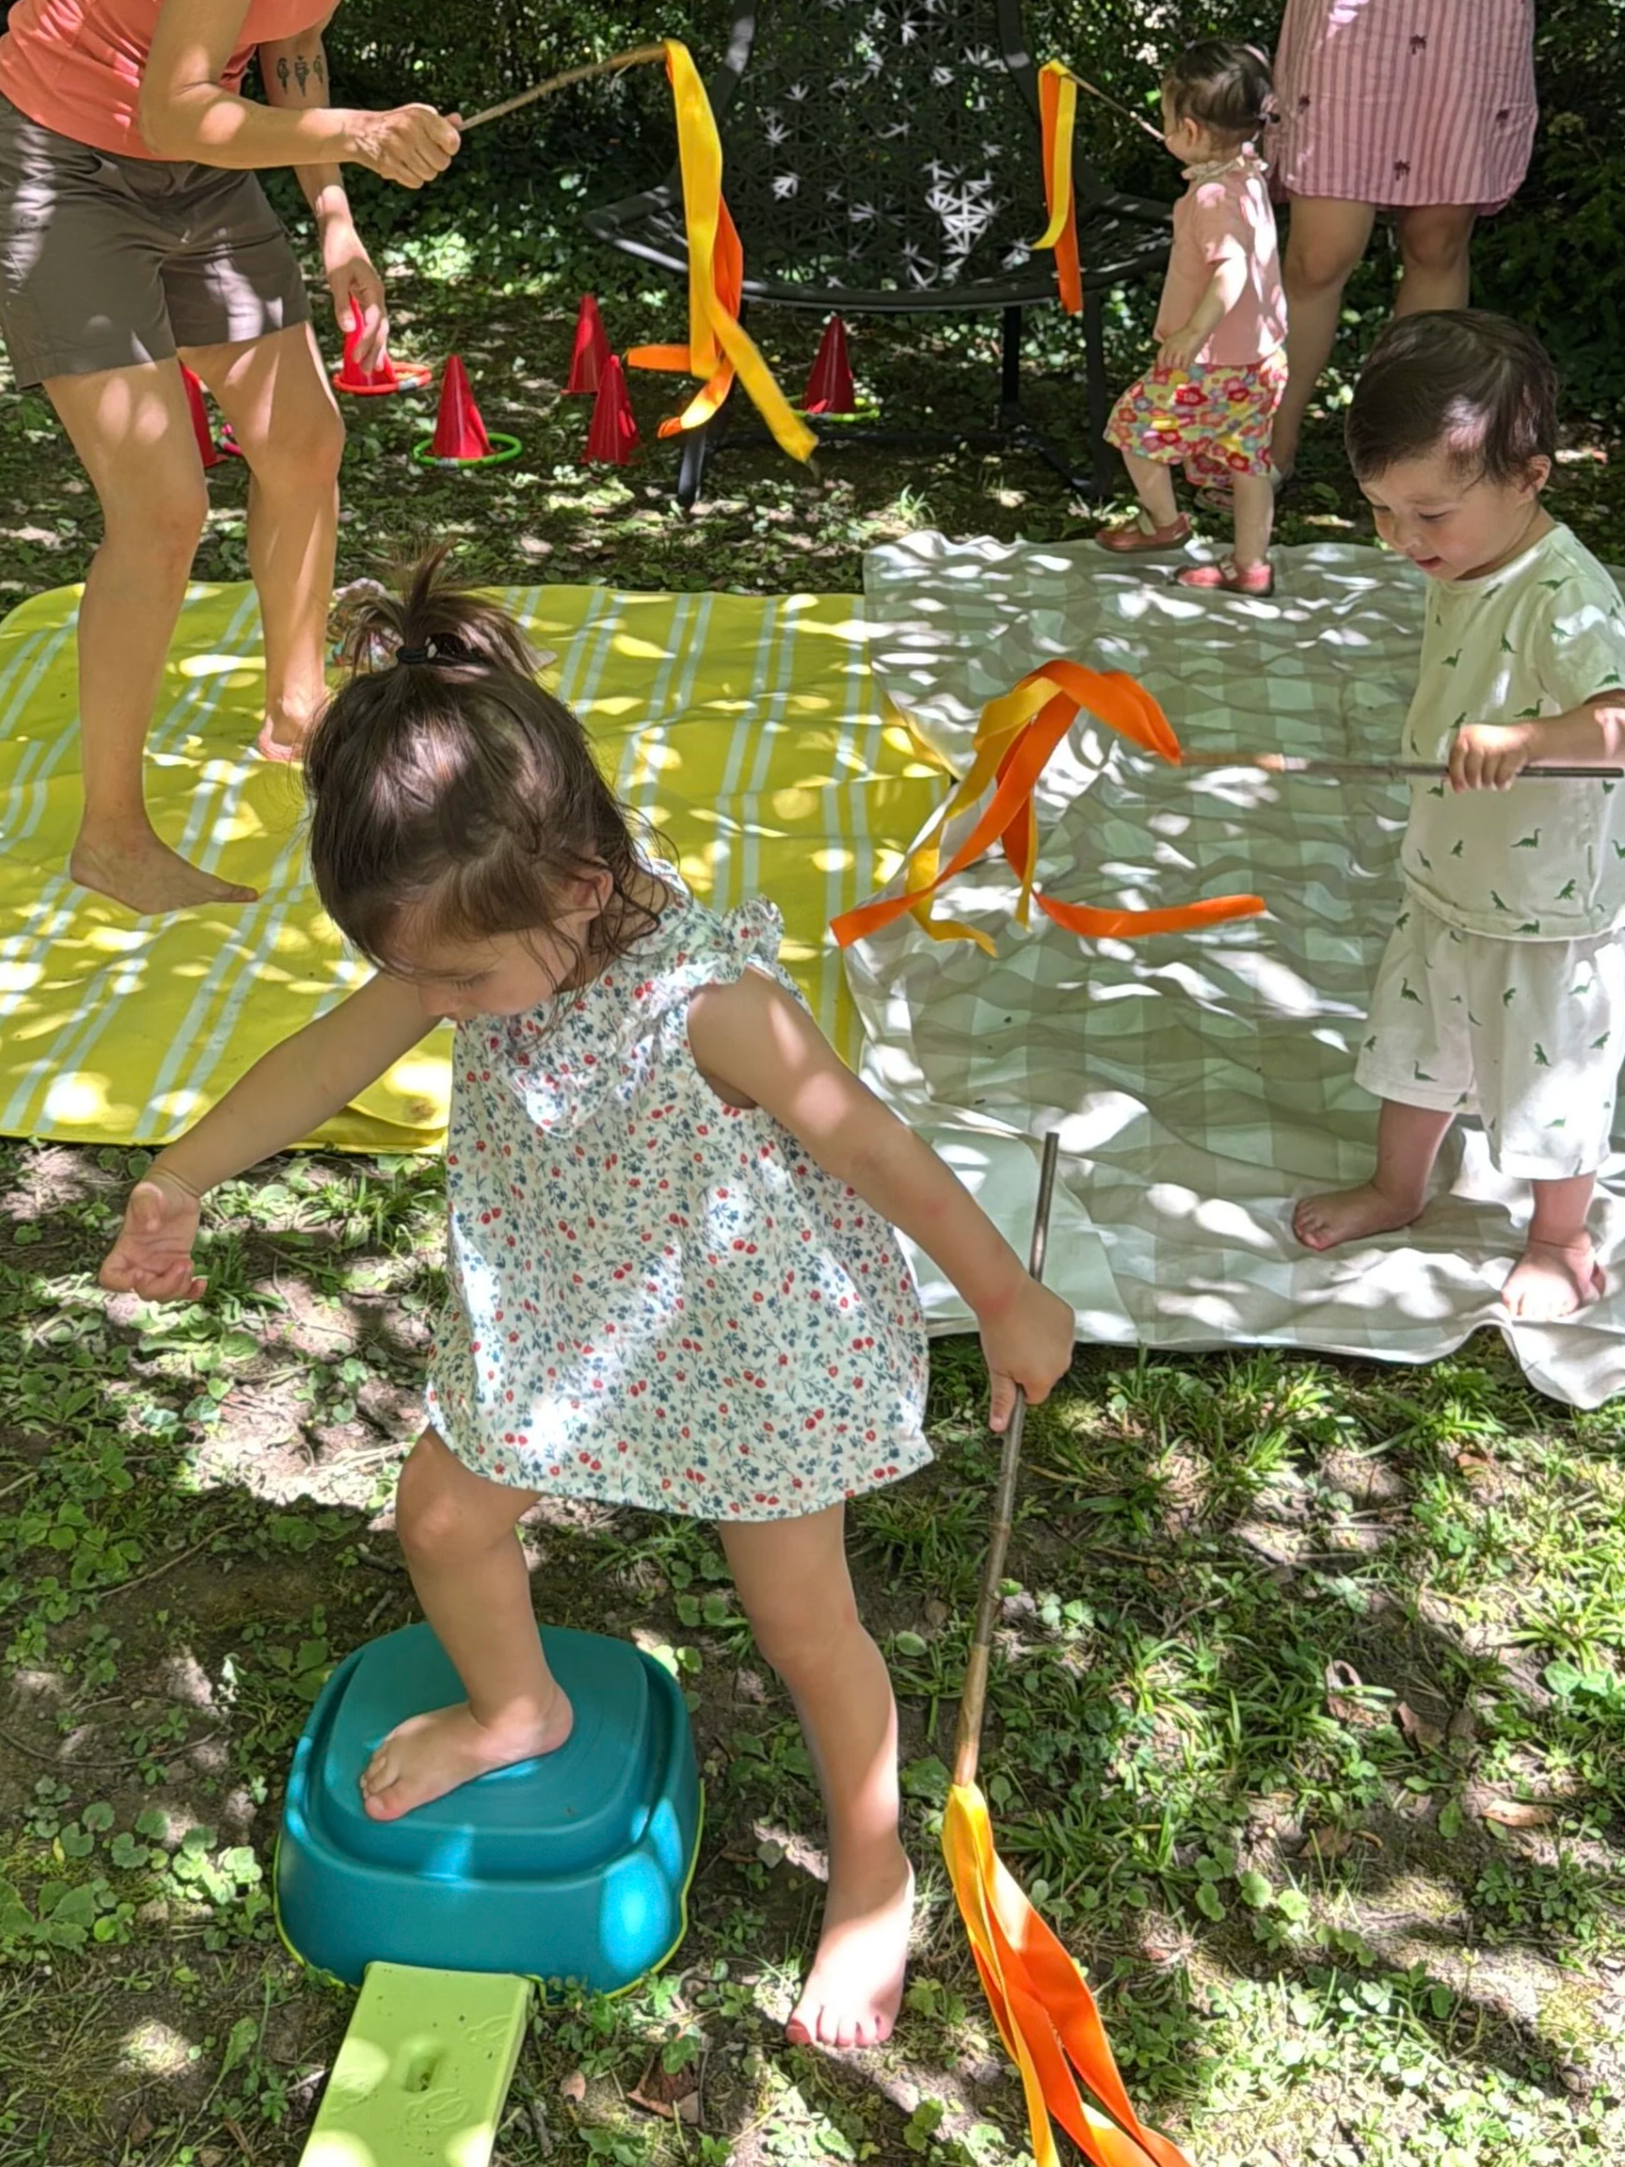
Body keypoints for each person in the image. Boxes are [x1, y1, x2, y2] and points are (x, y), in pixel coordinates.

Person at [98, 551, 1078, 2048]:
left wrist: (1006, 1297)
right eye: (410, 973)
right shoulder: (473, 931)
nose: (435, 1001)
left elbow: (876, 1146)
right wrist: (182, 1175)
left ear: (575, 884)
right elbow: (321, 1056)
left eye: (459, 979)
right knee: (441, 1518)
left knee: (803, 1620)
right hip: (561, 1315)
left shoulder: (715, 1008)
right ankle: (516, 1708)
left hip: (746, 1341)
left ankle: (873, 1867)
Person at [0, 0, 462, 915]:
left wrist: (334, 217)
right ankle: (112, 839)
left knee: (303, 438)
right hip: (68, 163)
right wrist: (363, 132)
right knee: (162, 511)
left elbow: (291, 41)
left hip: (202, 171)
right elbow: (170, 107)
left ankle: (298, 711)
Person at [1294, 312, 1625, 1321]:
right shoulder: (1468, 560)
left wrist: (1526, 740)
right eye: (1380, 513)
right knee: (1415, 1044)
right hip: (1446, 880)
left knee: (1547, 1072)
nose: (1399, 541)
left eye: (1426, 515)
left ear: (1527, 474)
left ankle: (1558, 1237)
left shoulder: (1564, 597)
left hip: (1542, 908)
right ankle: (1398, 1187)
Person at [1266, 0, 1537, 486]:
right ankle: (1269, 443)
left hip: (1464, 19)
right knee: (1317, 258)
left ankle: (1409, 453)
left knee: (1437, 246)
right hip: (1349, 23)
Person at [1095, 40, 1287, 598]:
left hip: (1212, 364)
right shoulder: (1246, 173)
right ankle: (1251, 564)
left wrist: (1190, 334)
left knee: (1133, 430)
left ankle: (1163, 523)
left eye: (1166, 120)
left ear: (1191, 131)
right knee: (1248, 458)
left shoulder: (1211, 199)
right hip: (1262, 357)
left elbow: (1231, 273)